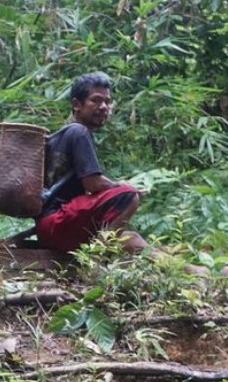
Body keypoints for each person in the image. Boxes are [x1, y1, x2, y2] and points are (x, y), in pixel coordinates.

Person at [35, 71, 208, 273]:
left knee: (131, 240)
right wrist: (122, 187)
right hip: (57, 221)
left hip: (51, 227)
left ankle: (197, 272)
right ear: (76, 104)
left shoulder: (65, 134)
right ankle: (94, 262)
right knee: (128, 194)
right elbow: (93, 183)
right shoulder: (78, 132)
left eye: (107, 102)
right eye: (96, 100)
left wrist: (114, 186)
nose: (103, 107)